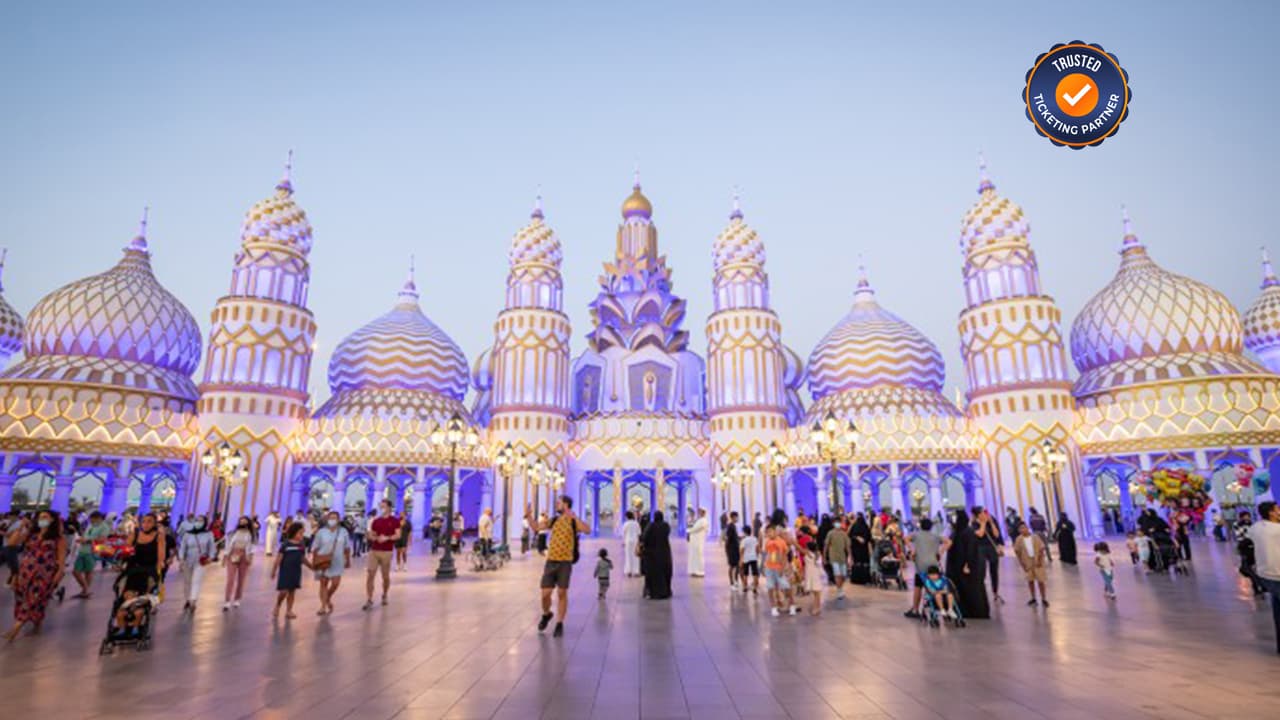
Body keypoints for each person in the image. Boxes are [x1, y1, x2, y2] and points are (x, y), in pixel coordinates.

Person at [4, 511, 67, 642]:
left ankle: (16, 628)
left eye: (45, 517)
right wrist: (21, 527)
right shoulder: (31, 535)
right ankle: (37, 622)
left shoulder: (58, 539)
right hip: (26, 571)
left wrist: (58, 576)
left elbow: (61, 561)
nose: (41, 519)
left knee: (34, 598)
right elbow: (11, 543)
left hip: (44, 573)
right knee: (23, 598)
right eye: (39, 517)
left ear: (52, 520)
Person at [535, 495, 590, 637]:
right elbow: (536, 527)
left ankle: (559, 623)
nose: (556, 505)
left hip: (565, 561)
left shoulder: (573, 521)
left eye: (558, 503)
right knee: (545, 594)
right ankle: (547, 614)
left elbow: (587, 530)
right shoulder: (554, 519)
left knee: (561, 593)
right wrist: (528, 516)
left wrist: (575, 518)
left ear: (566, 505)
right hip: (551, 561)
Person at [1246, 501, 1280, 654]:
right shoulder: (1277, 529)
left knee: (1277, 608)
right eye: (1277, 509)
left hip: (1265, 574)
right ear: (1272, 513)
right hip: (1277, 572)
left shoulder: (1256, 528)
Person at [946, 510, 990, 619]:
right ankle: (966, 611)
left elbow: (971, 550)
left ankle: (975, 611)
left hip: (967, 567)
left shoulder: (966, 532)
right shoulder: (958, 532)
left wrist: (967, 564)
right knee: (963, 588)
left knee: (971, 589)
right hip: (960, 567)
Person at [905, 517, 949, 618]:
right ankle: (933, 605)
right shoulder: (935, 536)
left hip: (920, 564)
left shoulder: (916, 535)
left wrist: (912, 550)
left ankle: (915, 609)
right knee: (932, 585)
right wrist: (940, 552)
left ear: (921, 525)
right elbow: (948, 542)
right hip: (933, 564)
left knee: (918, 586)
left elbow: (906, 539)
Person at [311, 510, 351, 615]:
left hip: (338, 561)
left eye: (334, 518)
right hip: (323, 560)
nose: (332, 520)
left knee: (335, 583)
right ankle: (323, 606)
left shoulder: (343, 532)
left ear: (338, 520)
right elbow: (315, 547)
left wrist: (348, 560)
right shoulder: (321, 532)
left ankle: (327, 598)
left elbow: (347, 547)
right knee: (323, 583)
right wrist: (314, 561)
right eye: (330, 518)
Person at [364, 500, 400, 610]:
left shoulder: (395, 521)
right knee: (370, 575)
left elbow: (398, 535)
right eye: (381, 507)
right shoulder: (376, 521)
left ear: (389, 507)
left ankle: (384, 594)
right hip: (374, 550)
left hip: (387, 551)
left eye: (384, 506)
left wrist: (387, 538)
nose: (382, 509)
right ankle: (369, 599)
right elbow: (371, 534)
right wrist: (374, 537)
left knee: (385, 576)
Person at [271, 522, 308, 620]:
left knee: (292, 591)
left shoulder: (301, 544)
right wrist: (274, 570)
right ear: (294, 532)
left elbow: (303, 558)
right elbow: (279, 558)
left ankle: (289, 610)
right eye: (300, 533)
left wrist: (311, 566)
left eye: (302, 533)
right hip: (285, 571)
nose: (301, 535)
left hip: (296, 571)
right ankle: (278, 605)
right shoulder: (286, 544)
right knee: (283, 591)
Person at [178, 515, 214, 614]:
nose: (198, 522)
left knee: (196, 580)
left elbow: (212, 547)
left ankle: (193, 600)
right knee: (187, 581)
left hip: (201, 560)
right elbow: (182, 547)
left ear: (205, 522)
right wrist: (181, 559)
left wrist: (210, 557)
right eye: (197, 520)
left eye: (201, 520)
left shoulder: (208, 534)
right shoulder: (188, 534)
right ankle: (187, 599)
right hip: (188, 559)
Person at [72, 511, 109, 599]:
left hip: (92, 551)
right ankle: (85, 589)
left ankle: (85, 591)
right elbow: (86, 536)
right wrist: (82, 539)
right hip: (82, 550)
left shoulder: (104, 527)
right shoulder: (91, 525)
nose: (91, 521)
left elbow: (102, 540)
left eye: (92, 519)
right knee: (75, 571)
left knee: (88, 572)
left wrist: (87, 540)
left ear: (98, 518)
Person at [972, 507, 1005, 603]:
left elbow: (996, 535)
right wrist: (983, 523)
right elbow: (980, 534)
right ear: (978, 515)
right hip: (980, 548)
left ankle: (995, 592)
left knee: (994, 570)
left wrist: (991, 523)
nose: (985, 514)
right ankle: (981, 592)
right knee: (981, 571)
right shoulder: (974, 524)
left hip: (991, 547)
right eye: (983, 513)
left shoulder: (991, 521)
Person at [763, 526, 797, 616]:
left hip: (779, 568)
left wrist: (782, 568)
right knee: (770, 588)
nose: (769, 534)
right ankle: (773, 608)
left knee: (786, 587)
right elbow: (767, 554)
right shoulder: (767, 542)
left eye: (771, 531)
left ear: (775, 532)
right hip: (769, 567)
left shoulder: (781, 542)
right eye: (767, 532)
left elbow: (785, 555)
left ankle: (792, 606)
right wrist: (764, 566)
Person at [222, 517, 255, 611]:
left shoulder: (251, 534)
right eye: (241, 522)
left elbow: (252, 547)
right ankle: (227, 601)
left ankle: (237, 599)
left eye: (245, 522)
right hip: (233, 554)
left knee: (241, 579)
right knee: (230, 579)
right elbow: (228, 544)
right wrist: (225, 557)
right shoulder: (233, 532)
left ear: (248, 523)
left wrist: (250, 558)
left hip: (244, 555)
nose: (242, 523)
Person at [1014, 522, 1050, 608]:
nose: (1023, 530)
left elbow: (1041, 549)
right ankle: (1033, 597)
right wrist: (1022, 564)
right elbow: (1017, 552)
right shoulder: (1019, 539)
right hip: (1027, 561)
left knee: (1041, 580)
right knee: (1030, 580)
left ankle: (1043, 598)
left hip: (1037, 560)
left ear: (1027, 528)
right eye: (1021, 528)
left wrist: (1040, 560)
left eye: (1024, 528)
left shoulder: (1035, 537)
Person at [641, 511, 673, 600]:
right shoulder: (666, 526)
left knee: (652, 574)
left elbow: (644, 537)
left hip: (652, 554)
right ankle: (665, 592)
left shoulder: (651, 526)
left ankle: (653, 592)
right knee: (665, 572)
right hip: (664, 553)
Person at [823, 518, 850, 601]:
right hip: (833, 557)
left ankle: (840, 588)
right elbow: (826, 545)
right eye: (836, 523)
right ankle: (839, 591)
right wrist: (824, 556)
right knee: (837, 574)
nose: (838, 524)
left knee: (844, 575)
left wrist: (850, 556)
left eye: (839, 522)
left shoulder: (843, 534)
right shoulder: (830, 533)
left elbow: (847, 546)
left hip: (842, 557)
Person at [848, 513, 872, 585]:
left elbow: (850, 535)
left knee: (857, 562)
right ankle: (865, 578)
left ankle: (856, 578)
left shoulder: (854, 526)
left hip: (856, 548)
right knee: (864, 563)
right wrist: (863, 539)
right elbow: (869, 537)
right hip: (863, 549)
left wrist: (856, 538)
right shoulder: (866, 526)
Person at [802, 538, 824, 615]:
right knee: (816, 592)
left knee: (816, 592)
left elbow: (799, 548)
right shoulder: (817, 554)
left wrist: (793, 542)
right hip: (815, 573)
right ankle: (817, 607)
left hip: (813, 574)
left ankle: (817, 608)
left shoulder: (810, 554)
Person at [687, 507, 709, 577]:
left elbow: (694, 529)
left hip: (698, 541)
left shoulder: (703, 521)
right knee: (694, 556)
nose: (699, 513)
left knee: (699, 556)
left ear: (703, 513)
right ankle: (694, 570)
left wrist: (688, 531)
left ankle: (700, 571)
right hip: (694, 541)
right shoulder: (699, 520)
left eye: (700, 512)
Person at [723, 511, 741, 589]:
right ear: (733, 517)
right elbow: (728, 538)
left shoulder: (733, 526)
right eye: (737, 517)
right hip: (732, 549)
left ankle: (736, 581)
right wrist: (727, 550)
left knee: (737, 566)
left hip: (735, 549)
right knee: (732, 566)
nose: (737, 518)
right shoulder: (730, 526)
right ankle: (732, 583)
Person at [739, 525, 760, 594]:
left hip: (746, 558)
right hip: (754, 558)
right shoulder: (754, 538)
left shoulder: (744, 540)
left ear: (744, 532)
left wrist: (741, 559)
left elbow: (742, 550)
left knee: (745, 573)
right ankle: (755, 588)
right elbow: (757, 548)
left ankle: (745, 587)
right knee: (755, 573)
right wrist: (756, 555)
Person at [621, 511, 641, 577]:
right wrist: (638, 543)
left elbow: (623, 534)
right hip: (635, 541)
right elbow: (639, 534)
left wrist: (623, 542)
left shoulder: (625, 524)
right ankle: (636, 572)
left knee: (628, 556)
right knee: (636, 556)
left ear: (627, 517)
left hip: (628, 541)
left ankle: (628, 571)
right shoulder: (636, 523)